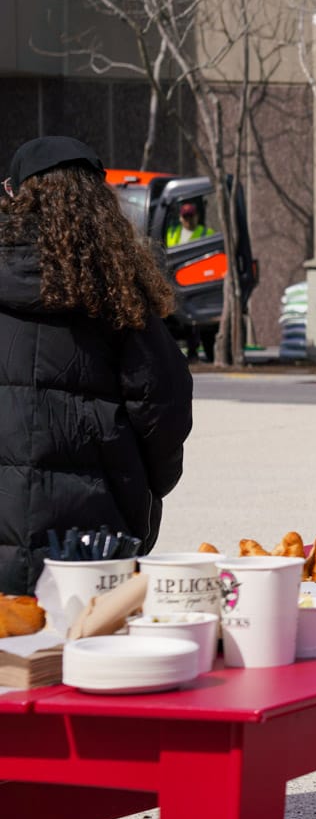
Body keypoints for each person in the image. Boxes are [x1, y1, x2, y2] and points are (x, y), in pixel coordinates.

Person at [0, 136, 194, 596]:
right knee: (91, 641)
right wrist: (144, 488)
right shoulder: (120, 293)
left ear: (14, 195)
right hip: (91, 540)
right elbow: (164, 409)